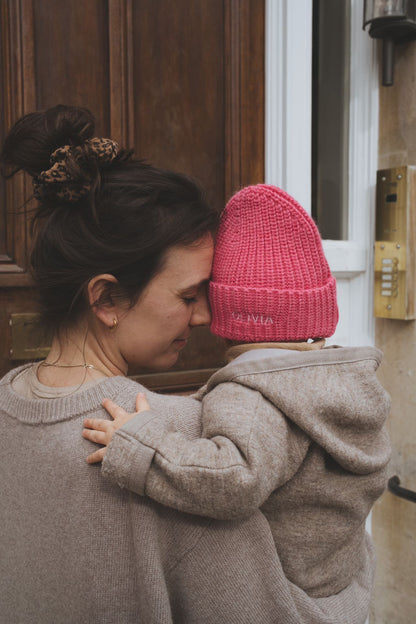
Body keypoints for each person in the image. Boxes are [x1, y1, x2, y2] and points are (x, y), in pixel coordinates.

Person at [0, 104, 314, 624]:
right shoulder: (173, 447)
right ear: (106, 299)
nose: (206, 316)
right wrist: (354, 575)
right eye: (189, 295)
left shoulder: (7, 411)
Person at [83, 184, 392, 623]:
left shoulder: (252, 395)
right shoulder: (343, 380)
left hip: (282, 596)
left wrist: (140, 444)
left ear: (229, 317)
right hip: (337, 583)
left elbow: (233, 479)